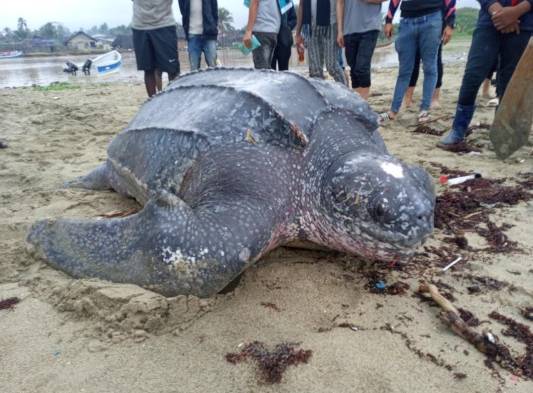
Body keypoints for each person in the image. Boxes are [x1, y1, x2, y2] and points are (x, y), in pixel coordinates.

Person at [440, 0, 532, 146]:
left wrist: (516, 11)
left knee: (510, 81)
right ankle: (458, 128)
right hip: (490, 20)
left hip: (525, 21)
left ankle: (502, 131)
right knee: (473, 74)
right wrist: (497, 11)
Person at [381, 0, 455, 123]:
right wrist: (388, 20)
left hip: (432, 18)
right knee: (404, 70)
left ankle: (424, 109)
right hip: (406, 21)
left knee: (429, 67)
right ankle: (393, 111)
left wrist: (450, 22)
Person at [404, 0, 456, 109]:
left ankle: (434, 98)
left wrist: (450, 23)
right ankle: (408, 98)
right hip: (413, 17)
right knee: (412, 59)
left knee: (435, 60)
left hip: (435, 18)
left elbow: (450, 2)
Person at [337, 0, 387, 100]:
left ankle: (364, 104)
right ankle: (358, 103)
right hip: (349, 29)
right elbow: (340, 3)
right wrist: (340, 31)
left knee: (362, 68)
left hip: (370, 26)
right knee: (354, 69)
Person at [131, 0, 180, 97]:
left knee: (172, 70)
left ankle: (175, 100)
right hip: (140, 26)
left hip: (164, 24)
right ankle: (152, 102)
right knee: (148, 69)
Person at [295, 0, 347, 84]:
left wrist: (340, 30)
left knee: (332, 66)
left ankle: (346, 91)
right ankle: (318, 95)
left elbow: (340, 3)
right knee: (315, 71)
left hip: (331, 24)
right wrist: (298, 33)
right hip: (311, 27)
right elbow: (301, 5)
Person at [178, 0, 219, 71]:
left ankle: (214, 82)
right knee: (194, 69)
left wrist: (212, 27)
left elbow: (215, 11)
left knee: (213, 67)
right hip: (192, 34)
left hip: (209, 34)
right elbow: (183, 11)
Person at [243, 0, 283, 69]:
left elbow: (255, 2)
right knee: (266, 70)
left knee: (261, 71)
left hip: (261, 31)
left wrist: (248, 31)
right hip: (273, 31)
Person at [271, 1, 297, 71]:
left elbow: (294, 19)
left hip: (284, 41)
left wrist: (287, 27)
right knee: (270, 70)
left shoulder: (287, 2)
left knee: (284, 70)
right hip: (270, 38)